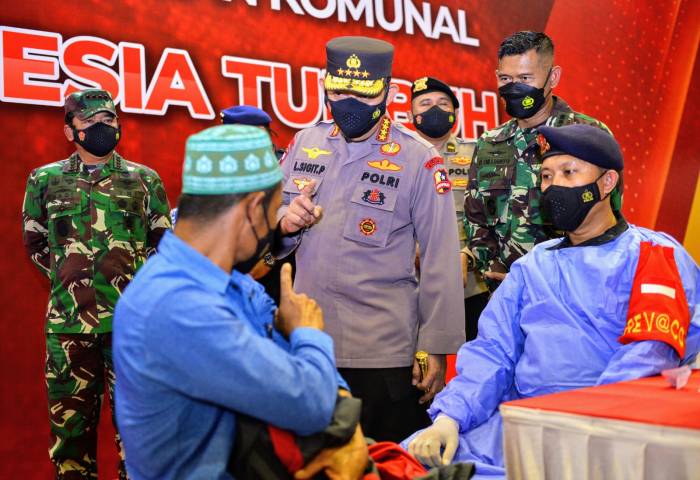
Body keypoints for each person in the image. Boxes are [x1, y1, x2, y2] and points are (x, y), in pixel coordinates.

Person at [404, 124, 700, 478]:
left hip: (608, 434)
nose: (554, 185)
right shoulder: (533, 265)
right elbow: (494, 351)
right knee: (405, 462)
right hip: (521, 424)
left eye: (569, 172)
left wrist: (579, 422)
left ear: (607, 182)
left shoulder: (653, 254)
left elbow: (648, 354)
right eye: (546, 176)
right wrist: (450, 418)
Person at [113, 124, 364, 479]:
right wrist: (307, 332)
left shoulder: (233, 284)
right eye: (275, 214)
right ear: (253, 209)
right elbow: (313, 404)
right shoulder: (174, 306)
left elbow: (325, 394)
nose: (273, 229)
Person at [274, 36, 465, 442]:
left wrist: (435, 346)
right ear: (325, 86)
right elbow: (272, 222)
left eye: (363, 95)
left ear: (388, 93)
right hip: (310, 344)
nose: (350, 104)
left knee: (386, 461)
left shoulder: (418, 157)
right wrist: (285, 224)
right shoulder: (305, 142)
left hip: (382, 354)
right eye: (339, 91)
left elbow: (441, 257)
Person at [21, 88, 171, 479]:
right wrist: (70, 277)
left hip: (131, 328)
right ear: (70, 131)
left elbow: (162, 244)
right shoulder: (44, 180)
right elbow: (35, 242)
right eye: (91, 121)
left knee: (139, 434)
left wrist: (133, 284)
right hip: (68, 328)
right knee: (70, 438)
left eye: (109, 119)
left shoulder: (144, 180)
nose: (103, 127)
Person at [465, 31, 613, 291]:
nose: (514, 87)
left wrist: (547, 282)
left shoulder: (588, 135)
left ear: (552, 77)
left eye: (525, 78)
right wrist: (495, 272)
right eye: (505, 79)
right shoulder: (489, 142)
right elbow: (475, 218)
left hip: (567, 294)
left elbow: (606, 223)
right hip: (502, 294)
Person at [410, 76, 489, 341]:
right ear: (411, 114)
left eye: (443, 103)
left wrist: (468, 255)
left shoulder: (478, 154)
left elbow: (491, 216)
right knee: (417, 362)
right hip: (409, 286)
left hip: (469, 287)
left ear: (455, 112)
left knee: (474, 359)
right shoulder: (394, 157)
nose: (435, 109)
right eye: (425, 103)